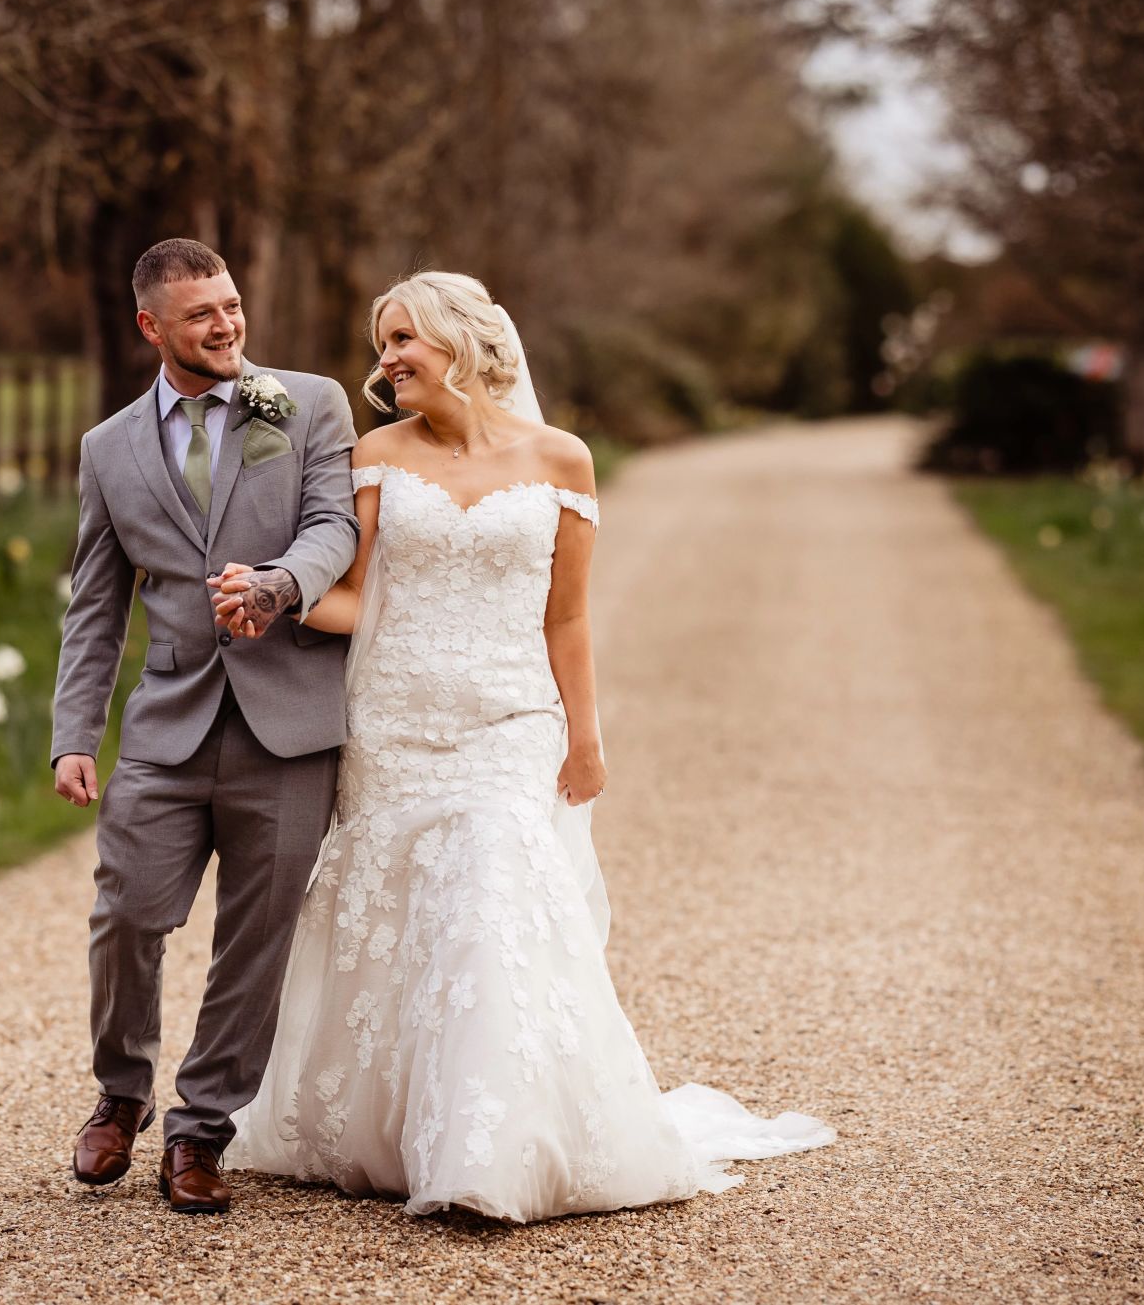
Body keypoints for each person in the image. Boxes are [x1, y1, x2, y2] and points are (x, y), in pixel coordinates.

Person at [212, 271, 835, 1222]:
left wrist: (586, 738)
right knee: (404, 909)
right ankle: (398, 1124)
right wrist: (274, 594)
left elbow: (569, 616)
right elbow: (356, 594)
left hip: (511, 723)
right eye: (383, 343)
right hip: (396, 719)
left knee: (493, 878)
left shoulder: (562, 459)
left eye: (402, 339)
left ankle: (485, 1149)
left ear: (460, 340)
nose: (386, 361)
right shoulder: (375, 454)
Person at [50, 238, 359, 1214]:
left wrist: (280, 584)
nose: (226, 325)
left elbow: (332, 525)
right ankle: (120, 1090)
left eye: (230, 305)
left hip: (289, 725)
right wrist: (74, 733)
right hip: (165, 728)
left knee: (252, 939)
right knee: (126, 914)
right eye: (201, 316)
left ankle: (198, 1130)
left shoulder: (308, 402)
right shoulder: (108, 449)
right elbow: (95, 605)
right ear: (152, 327)